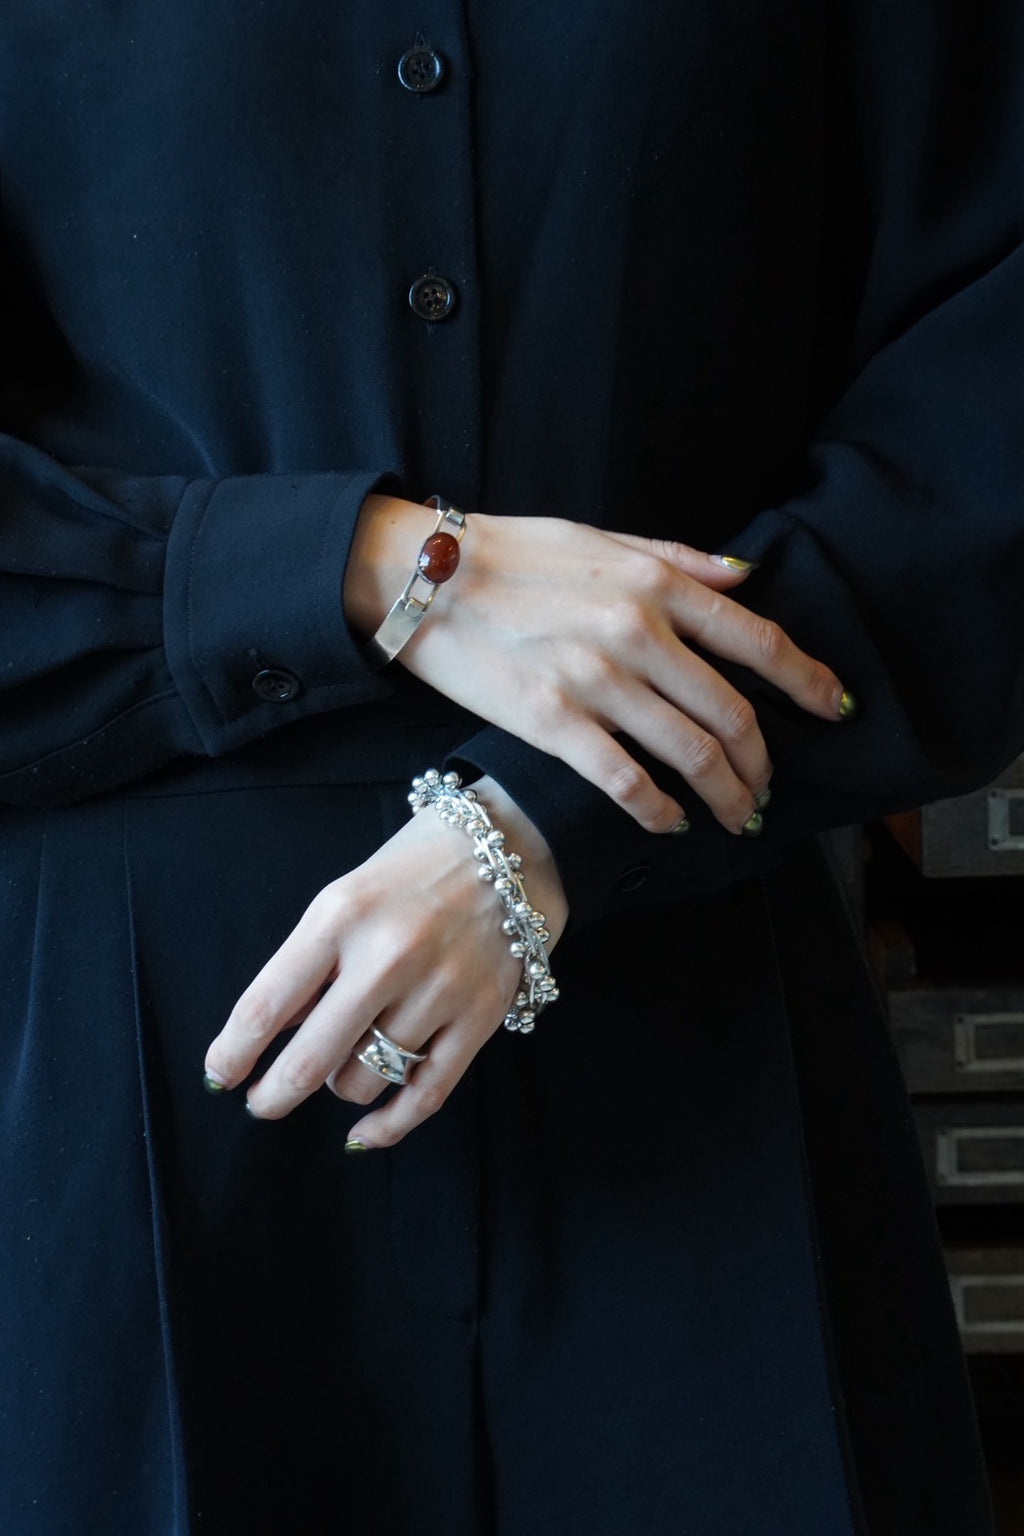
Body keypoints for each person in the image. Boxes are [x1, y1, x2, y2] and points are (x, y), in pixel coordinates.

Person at [1, 3, 1021, 1533]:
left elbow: (988, 398)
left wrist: (553, 823)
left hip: (710, 1057)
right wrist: (388, 571)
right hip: (137, 1092)